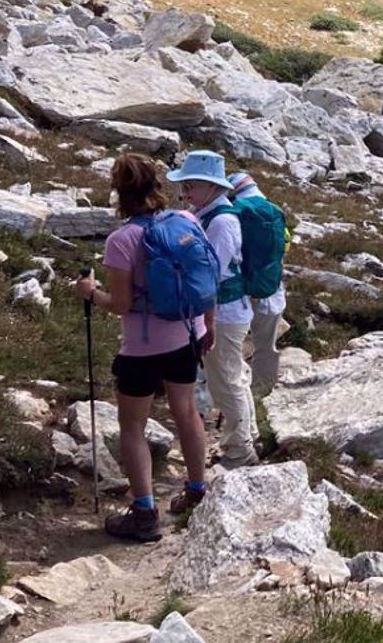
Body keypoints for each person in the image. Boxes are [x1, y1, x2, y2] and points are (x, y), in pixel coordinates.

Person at [75, 153, 212, 542]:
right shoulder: (187, 221)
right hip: (187, 332)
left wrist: (89, 293)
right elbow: (205, 277)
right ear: (158, 184)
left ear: (120, 192)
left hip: (142, 346)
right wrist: (208, 324)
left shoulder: (122, 240)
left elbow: (121, 304)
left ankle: (144, 512)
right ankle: (197, 491)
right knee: (187, 412)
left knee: (132, 426)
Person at [166, 151, 258, 469]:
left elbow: (210, 274)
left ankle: (239, 451)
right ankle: (246, 437)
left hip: (225, 315)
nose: (185, 193)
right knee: (233, 377)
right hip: (226, 311)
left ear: (210, 186)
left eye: (190, 186)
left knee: (225, 382)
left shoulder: (221, 223)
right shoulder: (207, 215)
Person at [227, 171, 289, 395]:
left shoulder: (235, 212)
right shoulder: (275, 211)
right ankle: (264, 391)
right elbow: (284, 247)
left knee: (234, 347)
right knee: (266, 347)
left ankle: (236, 394)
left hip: (241, 293)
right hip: (272, 289)